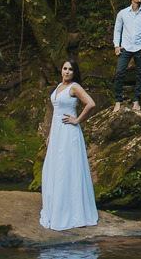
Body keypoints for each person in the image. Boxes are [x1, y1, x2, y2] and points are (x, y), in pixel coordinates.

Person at [39, 58, 98, 231]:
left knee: (68, 168)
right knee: (55, 168)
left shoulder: (75, 87)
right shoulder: (59, 87)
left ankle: (71, 211)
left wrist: (77, 120)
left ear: (74, 72)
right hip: (57, 133)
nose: (66, 71)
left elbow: (91, 103)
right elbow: (55, 113)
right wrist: (50, 134)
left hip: (69, 133)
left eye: (70, 69)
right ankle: (56, 205)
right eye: (64, 68)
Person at [113, 0, 141, 113]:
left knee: (140, 74)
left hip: (140, 48)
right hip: (126, 47)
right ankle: (118, 100)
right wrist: (116, 45)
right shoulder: (123, 13)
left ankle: (136, 99)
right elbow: (117, 30)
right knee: (120, 72)